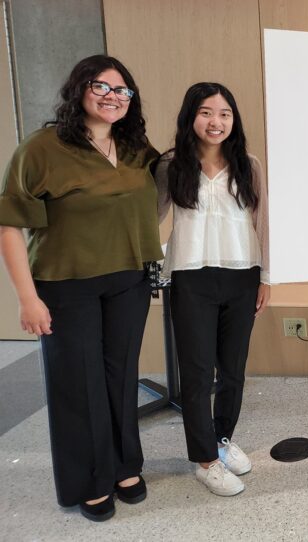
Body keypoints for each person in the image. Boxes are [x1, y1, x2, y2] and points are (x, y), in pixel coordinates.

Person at [0, 55, 160, 521]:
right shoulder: (42, 148)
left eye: (122, 90)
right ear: (79, 90)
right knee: (78, 385)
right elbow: (9, 226)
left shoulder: (135, 148)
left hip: (128, 279)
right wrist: (26, 298)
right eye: (101, 86)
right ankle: (89, 480)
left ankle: (125, 465)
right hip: (65, 285)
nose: (113, 96)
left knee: (119, 376)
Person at [154, 82, 270, 496]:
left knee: (233, 370)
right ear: (191, 117)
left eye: (224, 113)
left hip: (242, 274)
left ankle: (222, 440)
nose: (215, 121)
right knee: (198, 373)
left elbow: (263, 223)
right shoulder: (172, 165)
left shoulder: (248, 164)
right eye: (206, 112)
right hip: (191, 277)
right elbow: (149, 216)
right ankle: (204, 460)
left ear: (233, 120)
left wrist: (266, 277)